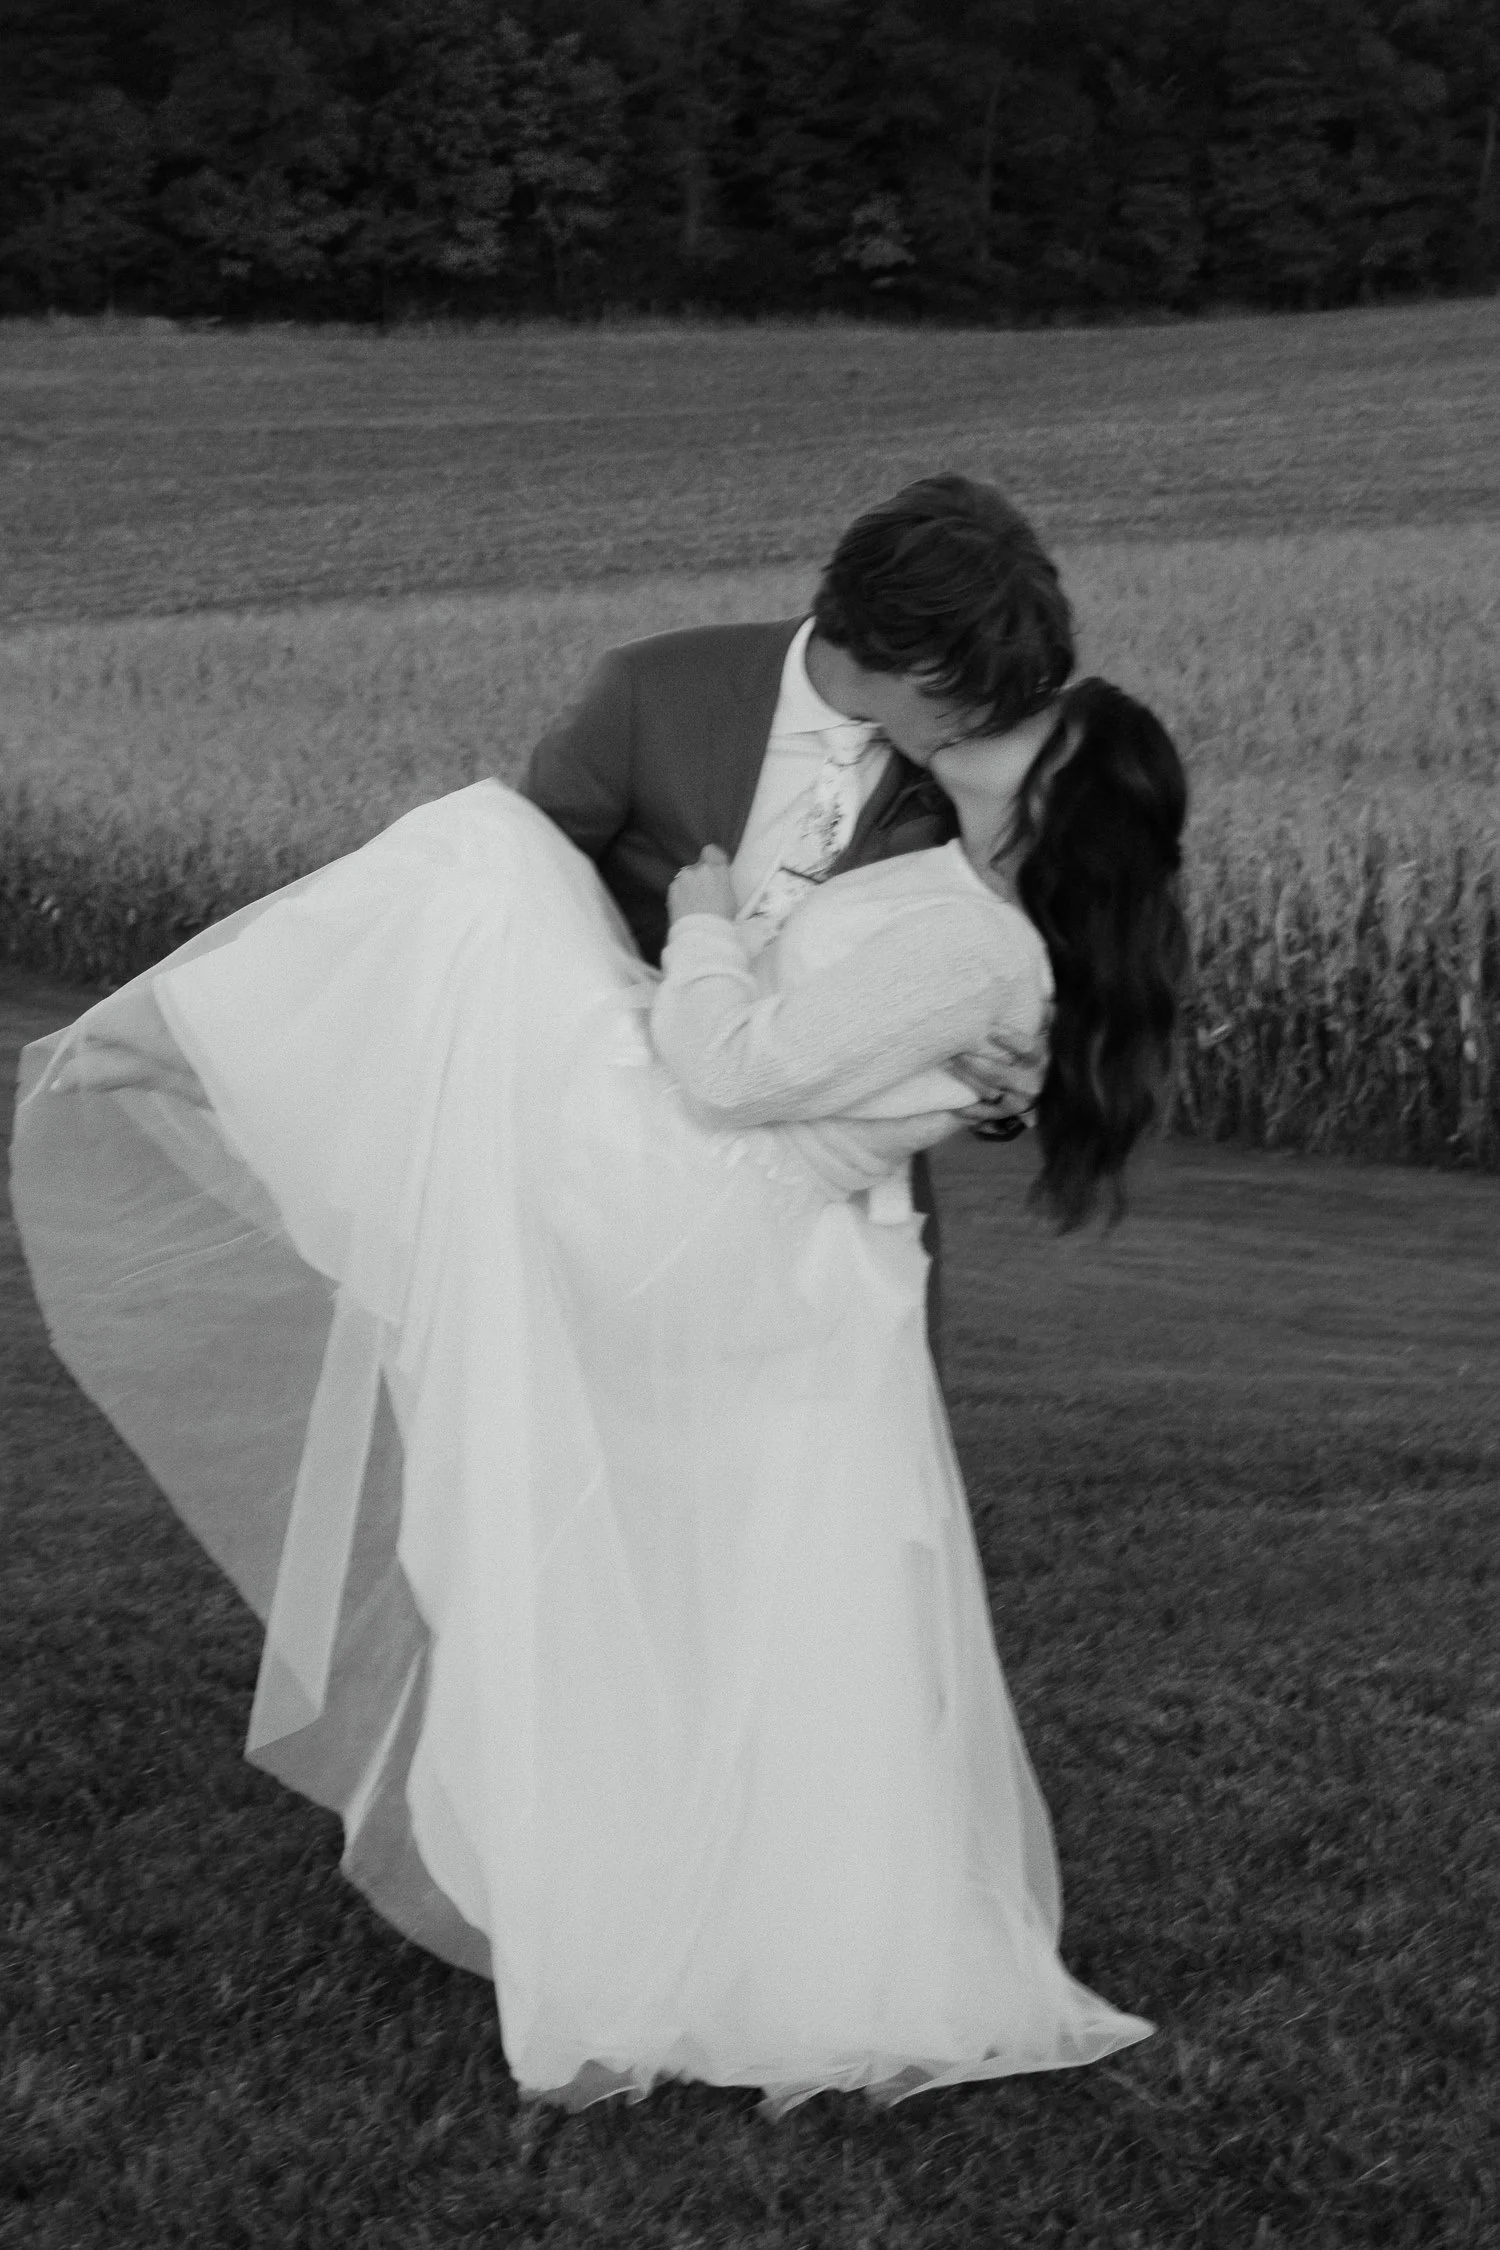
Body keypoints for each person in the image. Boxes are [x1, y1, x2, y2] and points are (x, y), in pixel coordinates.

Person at [12, 650, 1187, 2118]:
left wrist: (695, 925)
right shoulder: (955, 898)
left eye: (1032, 733)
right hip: (724, 1208)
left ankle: (189, 1049)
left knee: (482, 857)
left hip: (698, 1199)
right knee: (477, 927)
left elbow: (735, 1070)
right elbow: (847, 1042)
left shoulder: (977, 941)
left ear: (1062, 797)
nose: (993, 722)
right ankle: (196, 1053)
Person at [521, 473, 1078, 1350]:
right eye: (974, 692)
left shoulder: (972, 779)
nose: (998, 719)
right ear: (912, 657)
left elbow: (1024, 961)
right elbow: (520, 910)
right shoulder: (649, 692)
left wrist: (1019, 1084)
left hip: (840, 1221)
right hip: (613, 1188)